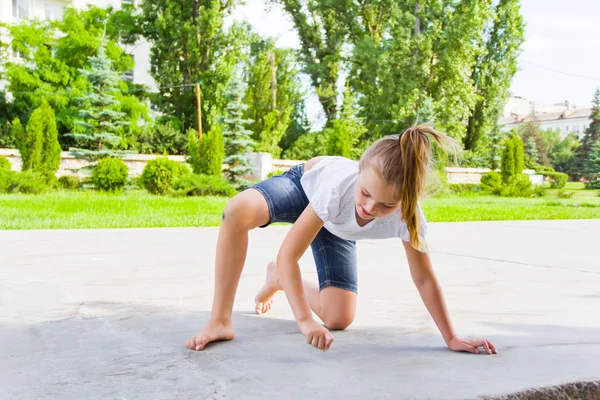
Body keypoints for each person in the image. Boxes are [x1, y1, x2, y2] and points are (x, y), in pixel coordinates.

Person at [186, 124, 497, 355]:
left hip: (335, 225)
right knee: (237, 210)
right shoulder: (338, 188)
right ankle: (220, 320)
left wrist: (451, 337)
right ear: (359, 172)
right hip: (305, 190)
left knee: (338, 318)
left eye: (387, 205)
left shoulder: (410, 218)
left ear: (406, 201)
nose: (370, 209)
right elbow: (288, 254)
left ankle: (279, 280)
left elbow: (425, 279)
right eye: (365, 193)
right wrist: (305, 320)